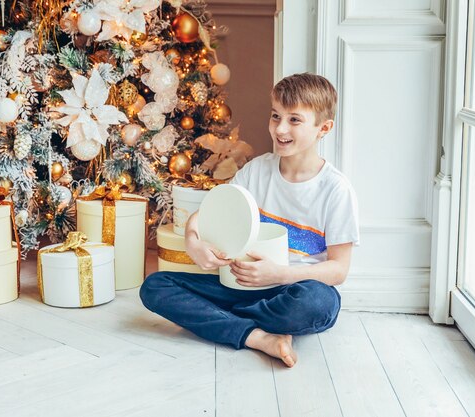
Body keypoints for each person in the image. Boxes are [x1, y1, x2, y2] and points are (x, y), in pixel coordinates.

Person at [140, 73, 359, 368]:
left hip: (292, 290)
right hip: (239, 286)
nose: (280, 128)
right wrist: (193, 242)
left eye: (294, 120)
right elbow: (204, 215)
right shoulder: (256, 172)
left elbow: (338, 270)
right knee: (155, 287)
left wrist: (278, 275)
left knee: (319, 304)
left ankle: (222, 321)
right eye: (275, 116)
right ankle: (258, 337)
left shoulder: (335, 189)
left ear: (324, 128)